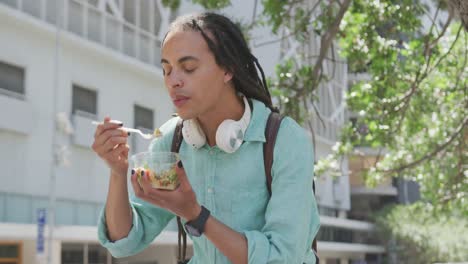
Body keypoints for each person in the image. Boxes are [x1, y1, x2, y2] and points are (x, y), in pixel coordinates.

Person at [92, 12, 320, 264]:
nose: (173, 82)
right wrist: (117, 172)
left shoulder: (285, 141)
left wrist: (196, 216)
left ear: (228, 69)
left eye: (188, 68)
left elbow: (282, 258)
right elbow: (125, 241)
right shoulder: (172, 139)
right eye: (166, 70)